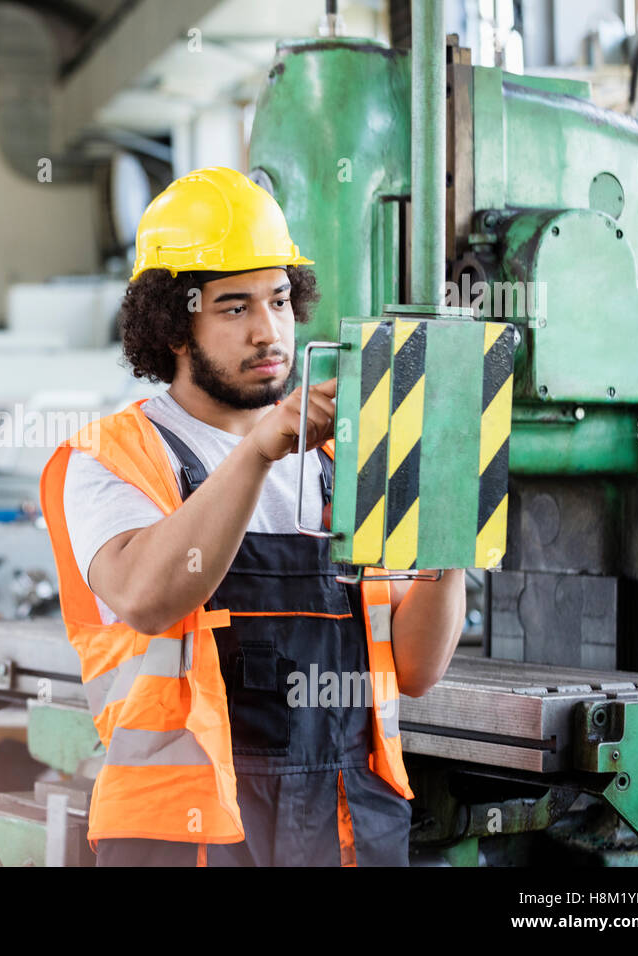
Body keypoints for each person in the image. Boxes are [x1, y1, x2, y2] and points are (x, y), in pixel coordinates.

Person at [38, 166, 467, 866]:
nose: (269, 332)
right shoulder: (111, 457)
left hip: (344, 824)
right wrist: (262, 451)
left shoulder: (342, 463)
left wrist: (450, 533)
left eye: (278, 300)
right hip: (188, 833)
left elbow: (412, 668)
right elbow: (147, 597)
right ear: (174, 326)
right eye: (234, 308)